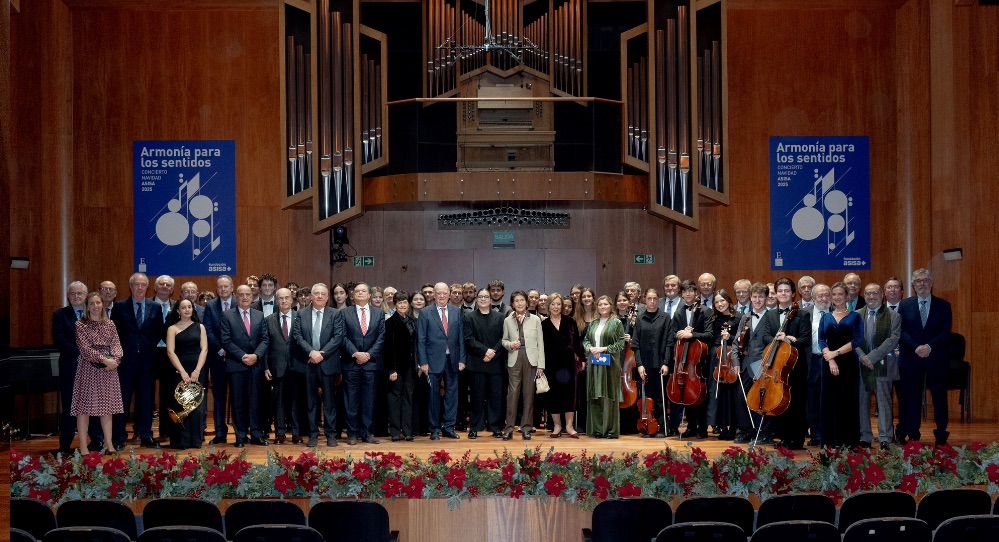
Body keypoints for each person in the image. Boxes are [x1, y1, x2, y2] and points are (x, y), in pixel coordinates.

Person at [897, 268, 952, 446]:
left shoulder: (943, 305)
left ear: (931, 283)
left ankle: (941, 432)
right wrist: (916, 347)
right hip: (912, 358)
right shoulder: (905, 305)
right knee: (911, 397)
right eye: (918, 281)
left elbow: (945, 332)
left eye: (926, 280)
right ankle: (913, 434)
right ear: (913, 285)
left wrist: (928, 346)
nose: (922, 284)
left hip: (935, 357)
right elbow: (901, 330)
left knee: (939, 397)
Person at [111, 272, 164, 449]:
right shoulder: (119, 307)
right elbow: (115, 334)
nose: (140, 288)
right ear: (130, 286)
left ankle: (146, 435)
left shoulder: (155, 307)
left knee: (146, 401)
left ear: (147, 287)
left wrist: (147, 347)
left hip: (148, 363)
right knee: (122, 401)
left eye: (143, 285)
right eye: (136, 285)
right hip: (125, 363)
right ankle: (119, 437)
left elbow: (158, 332)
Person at [292, 283, 345, 448]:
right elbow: (298, 336)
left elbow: (338, 337)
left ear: (327, 297)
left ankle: (331, 435)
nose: (320, 296)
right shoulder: (301, 314)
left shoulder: (335, 314)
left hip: (328, 364)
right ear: (311, 297)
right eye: (317, 294)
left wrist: (321, 354)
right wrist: (311, 353)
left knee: (329, 402)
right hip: (308, 363)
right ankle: (313, 435)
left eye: (323, 294)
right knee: (311, 402)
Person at [761, 277, 811, 449]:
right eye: (780, 291)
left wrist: (790, 340)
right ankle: (783, 437)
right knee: (779, 401)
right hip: (777, 365)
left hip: (795, 365)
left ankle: (797, 439)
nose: (783, 294)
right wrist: (775, 339)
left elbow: (806, 339)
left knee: (796, 402)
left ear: (792, 293)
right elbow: (765, 336)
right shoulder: (770, 315)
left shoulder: (802, 314)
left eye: (786, 291)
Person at [72, 292, 124, 455]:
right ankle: (83, 446)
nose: (95, 306)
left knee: (107, 409)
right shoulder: (81, 325)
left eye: (98, 303)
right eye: (92, 303)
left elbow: (116, 345)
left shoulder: (111, 324)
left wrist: (115, 360)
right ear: (87, 307)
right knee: (84, 408)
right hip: (89, 369)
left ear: (103, 305)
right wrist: (104, 360)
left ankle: (109, 445)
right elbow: (85, 349)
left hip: (109, 371)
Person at [54, 281, 102, 454]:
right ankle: (65, 445)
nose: (76, 297)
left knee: (94, 405)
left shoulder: (94, 315)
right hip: (71, 368)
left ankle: (97, 440)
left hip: (93, 368)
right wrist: (84, 352)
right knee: (69, 406)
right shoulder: (60, 315)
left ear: (85, 295)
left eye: (80, 294)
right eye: (72, 294)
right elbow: (60, 340)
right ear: (68, 297)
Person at [664, 280, 715, 439]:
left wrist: (692, 335)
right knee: (687, 394)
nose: (688, 294)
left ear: (696, 293)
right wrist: (680, 333)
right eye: (685, 291)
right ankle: (691, 427)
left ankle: (702, 428)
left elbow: (709, 334)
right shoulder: (679, 313)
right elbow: (671, 335)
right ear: (682, 294)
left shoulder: (705, 311)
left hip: (700, 360)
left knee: (701, 395)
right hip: (683, 361)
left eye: (691, 291)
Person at [221, 285, 270, 447]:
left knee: (256, 401)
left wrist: (256, 356)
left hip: (256, 365)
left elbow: (265, 339)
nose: (244, 297)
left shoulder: (259, 315)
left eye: (247, 294)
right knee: (238, 402)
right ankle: (240, 436)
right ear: (236, 296)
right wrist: (243, 356)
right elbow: (226, 341)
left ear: (252, 297)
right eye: (241, 295)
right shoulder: (227, 315)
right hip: (236, 365)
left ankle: (256, 434)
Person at [417, 282, 467, 440]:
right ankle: (434, 428)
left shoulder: (456, 312)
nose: (442, 295)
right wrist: (423, 362)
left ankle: (449, 427)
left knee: (452, 395)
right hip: (432, 361)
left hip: (452, 360)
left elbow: (460, 338)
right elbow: (421, 339)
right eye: (439, 293)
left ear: (449, 294)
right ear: (434, 294)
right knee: (433, 396)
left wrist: (462, 359)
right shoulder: (425, 313)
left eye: (445, 293)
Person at [855, 283, 901, 448]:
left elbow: (892, 339)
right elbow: (854, 339)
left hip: (884, 364)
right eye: (868, 293)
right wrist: (862, 356)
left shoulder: (893, 316)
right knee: (862, 401)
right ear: (864, 295)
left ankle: (885, 438)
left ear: (882, 295)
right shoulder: (857, 315)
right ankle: (865, 436)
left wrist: (872, 357)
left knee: (884, 402)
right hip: (861, 364)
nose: (871, 297)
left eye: (875, 293)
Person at [819, 281, 863, 448]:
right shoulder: (826, 317)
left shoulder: (855, 316)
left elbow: (856, 340)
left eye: (840, 294)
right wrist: (830, 359)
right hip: (828, 364)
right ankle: (830, 442)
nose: (837, 297)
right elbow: (821, 340)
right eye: (834, 294)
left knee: (848, 402)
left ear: (847, 296)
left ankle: (848, 442)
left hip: (848, 364)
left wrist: (835, 354)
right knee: (829, 402)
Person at [341, 282, 386, 445]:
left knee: (369, 400)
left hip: (371, 363)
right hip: (351, 362)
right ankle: (352, 434)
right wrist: (355, 353)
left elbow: (381, 337)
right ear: (353, 296)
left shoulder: (379, 313)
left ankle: (367, 432)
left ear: (369, 295)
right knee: (351, 400)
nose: (360, 293)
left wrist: (369, 354)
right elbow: (343, 336)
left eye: (363, 291)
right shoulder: (345, 313)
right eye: (357, 291)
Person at [733, 283, 776, 444]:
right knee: (741, 399)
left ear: (766, 298)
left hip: (762, 364)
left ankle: (766, 432)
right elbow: (737, 341)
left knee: (763, 400)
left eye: (760, 297)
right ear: (751, 298)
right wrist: (736, 361)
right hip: (744, 364)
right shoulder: (745, 317)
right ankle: (746, 430)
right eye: (754, 297)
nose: (757, 300)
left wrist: (765, 364)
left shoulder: (771, 317)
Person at [501, 291, 545, 440]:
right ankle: (508, 428)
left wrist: (541, 365)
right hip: (514, 357)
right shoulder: (507, 320)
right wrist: (510, 345)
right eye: (516, 301)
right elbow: (504, 340)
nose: (519, 303)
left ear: (527, 303)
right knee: (512, 394)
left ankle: (526, 427)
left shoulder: (535, 320)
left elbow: (541, 343)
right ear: (512, 304)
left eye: (522, 300)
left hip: (531, 358)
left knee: (528, 394)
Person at [463, 288, 507, 439]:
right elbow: (469, 339)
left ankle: (495, 427)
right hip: (477, 363)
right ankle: (475, 427)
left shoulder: (500, 317)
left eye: (486, 297)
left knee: (496, 397)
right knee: (477, 397)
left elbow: (503, 338)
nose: (483, 299)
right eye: (480, 296)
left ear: (490, 299)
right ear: (476, 298)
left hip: (495, 363)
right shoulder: (469, 317)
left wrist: (493, 352)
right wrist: (485, 352)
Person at [164, 299, 208, 449]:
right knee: (180, 404)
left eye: (189, 307)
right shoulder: (172, 329)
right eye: (183, 307)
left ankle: (195, 440)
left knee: (196, 406)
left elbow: (204, 349)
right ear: (178, 311)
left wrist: (197, 371)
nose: (187, 310)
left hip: (197, 370)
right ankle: (180, 441)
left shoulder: (200, 327)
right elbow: (170, 351)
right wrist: (182, 372)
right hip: (178, 370)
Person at [538, 293, 582, 438]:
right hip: (551, 364)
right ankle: (557, 426)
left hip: (568, 363)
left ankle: (569, 426)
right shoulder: (543, 324)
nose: (556, 307)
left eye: (558, 304)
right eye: (553, 304)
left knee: (570, 394)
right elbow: (540, 347)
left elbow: (576, 343)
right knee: (554, 395)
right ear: (548, 306)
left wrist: (582, 359)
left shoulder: (570, 322)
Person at [583, 295, 626, 438]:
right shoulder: (593, 323)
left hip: (610, 364)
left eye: (605, 304)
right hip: (594, 363)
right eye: (600, 304)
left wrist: (602, 349)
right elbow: (586, 340)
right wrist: (590, 349)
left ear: (610, 306)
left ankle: (610, 430)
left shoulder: (616, 323)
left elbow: (620, 343)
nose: (602, 307)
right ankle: (596, 429)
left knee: (608, 395)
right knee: (595, 394)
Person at [707, 290, 746, 440]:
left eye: (722, 301)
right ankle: (722, 426)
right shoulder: (713, 319)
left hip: (731, 358)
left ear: (728, 301)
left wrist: (730, 338)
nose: (720, 304)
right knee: (719, 394)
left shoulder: (738, 318)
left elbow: (742, 340)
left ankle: (734, 426)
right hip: (717, 358)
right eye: (716, 302)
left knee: (733, 394)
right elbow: (711, 337)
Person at [201, 275, 235, 444]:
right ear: (216, 289)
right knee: (219, 397)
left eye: (226, 286)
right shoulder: (211, 306)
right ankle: (220, 432)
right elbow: (207, 330)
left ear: (232, 288)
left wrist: (233, 351)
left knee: (238, 397)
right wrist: (222, 350)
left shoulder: (239, 303)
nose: (223, 289)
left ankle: (241, 432)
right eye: (220, 287)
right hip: (217, 358)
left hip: (237, 359)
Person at [632, 289, 668, 438]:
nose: (652, 301)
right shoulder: (640, 319)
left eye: (655, 298)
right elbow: (636, 344)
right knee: (647, 397)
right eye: (649, 299)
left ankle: (661, 427)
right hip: (645, 365)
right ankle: (648, 427)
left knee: (660, 398)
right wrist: (639, 364)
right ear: (644, 300)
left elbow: (669, 342)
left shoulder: (665, 318)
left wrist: (666, 363)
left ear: (658, 300)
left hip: (660, 365)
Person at [263, 288, 297, 444]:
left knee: (297, 401)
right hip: (277, 366)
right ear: (277, 301)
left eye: (286, 298)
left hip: (297, 366)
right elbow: (265, 345)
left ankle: (296, 432)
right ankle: (280, 433)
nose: (284, 301)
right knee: (279, 402)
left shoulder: (300, 317)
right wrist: (265, 366)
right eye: (280, 298)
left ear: (292, 300)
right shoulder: (269, 319)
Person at [384, 291, 417, 441]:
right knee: (395, 398)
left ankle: (408, 431)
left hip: (410, 367)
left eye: (405, 302)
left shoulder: (412, 322)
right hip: (396, 368)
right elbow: (388, 349)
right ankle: (395, 431)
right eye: (399, 303)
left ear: (408, 304)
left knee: (408, 398)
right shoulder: (389, 323)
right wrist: (392, 369)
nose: (402, 305)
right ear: (395, 304)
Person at [806, 284, 831, 446]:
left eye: (826, 295)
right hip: (813, 360)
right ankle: (815, 434)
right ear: (813, 298)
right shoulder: (805, 314)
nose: (824, 299)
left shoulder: (838, 312)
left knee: (829, 398)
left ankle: (829, 433)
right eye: (820, 296)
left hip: (832, 360)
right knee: (813, 399)